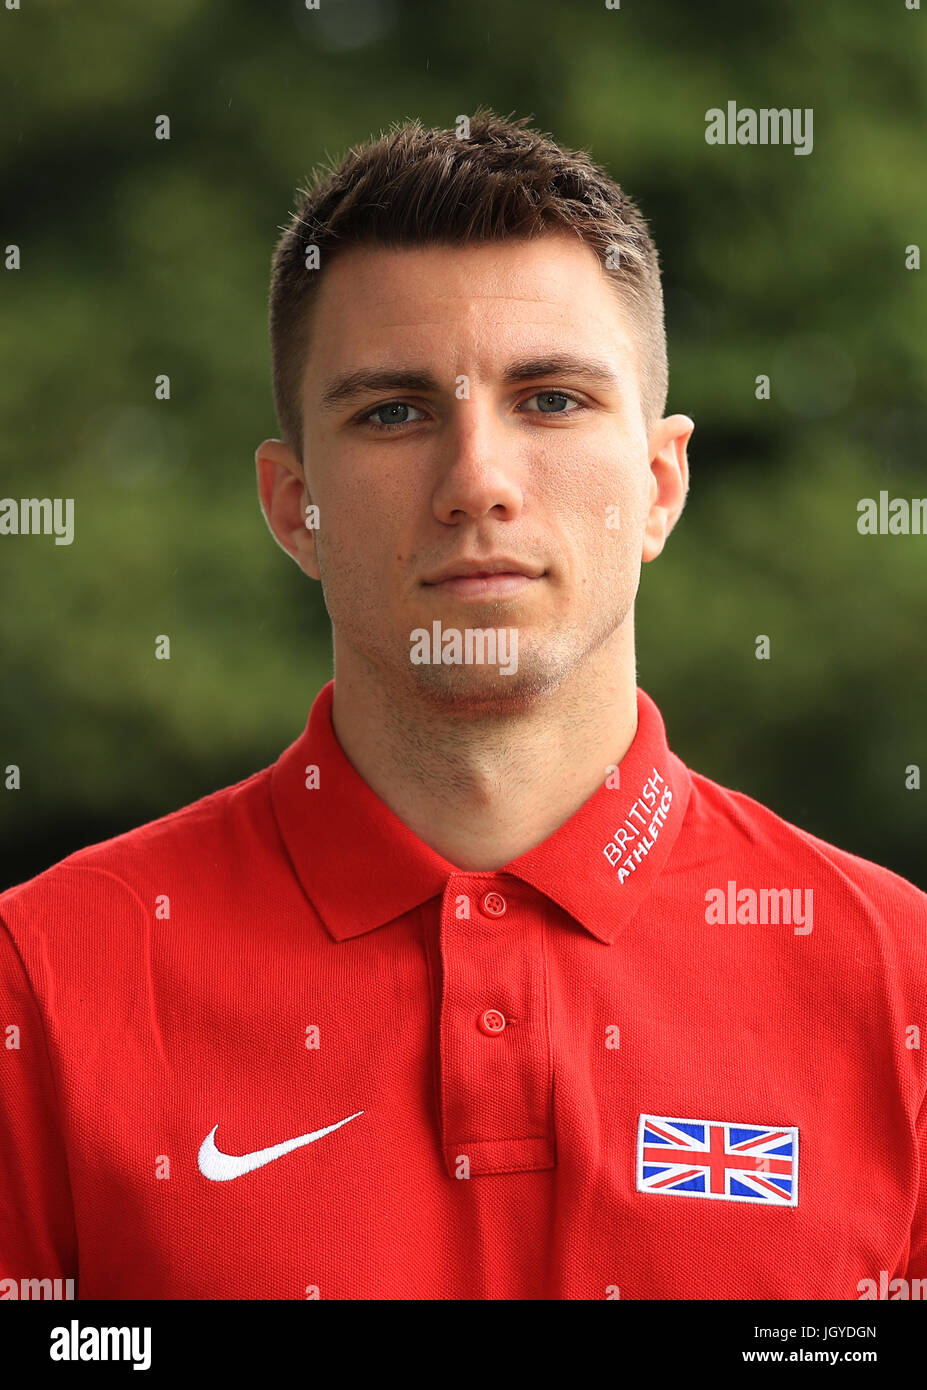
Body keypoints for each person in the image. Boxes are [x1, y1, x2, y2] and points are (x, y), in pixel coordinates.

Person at [1, 109, 924, 1302]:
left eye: (550, 400)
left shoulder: (901, 987)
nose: (478, 480)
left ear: (659, 486)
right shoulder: (41, 985)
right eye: (393, 412)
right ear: (294, 508)